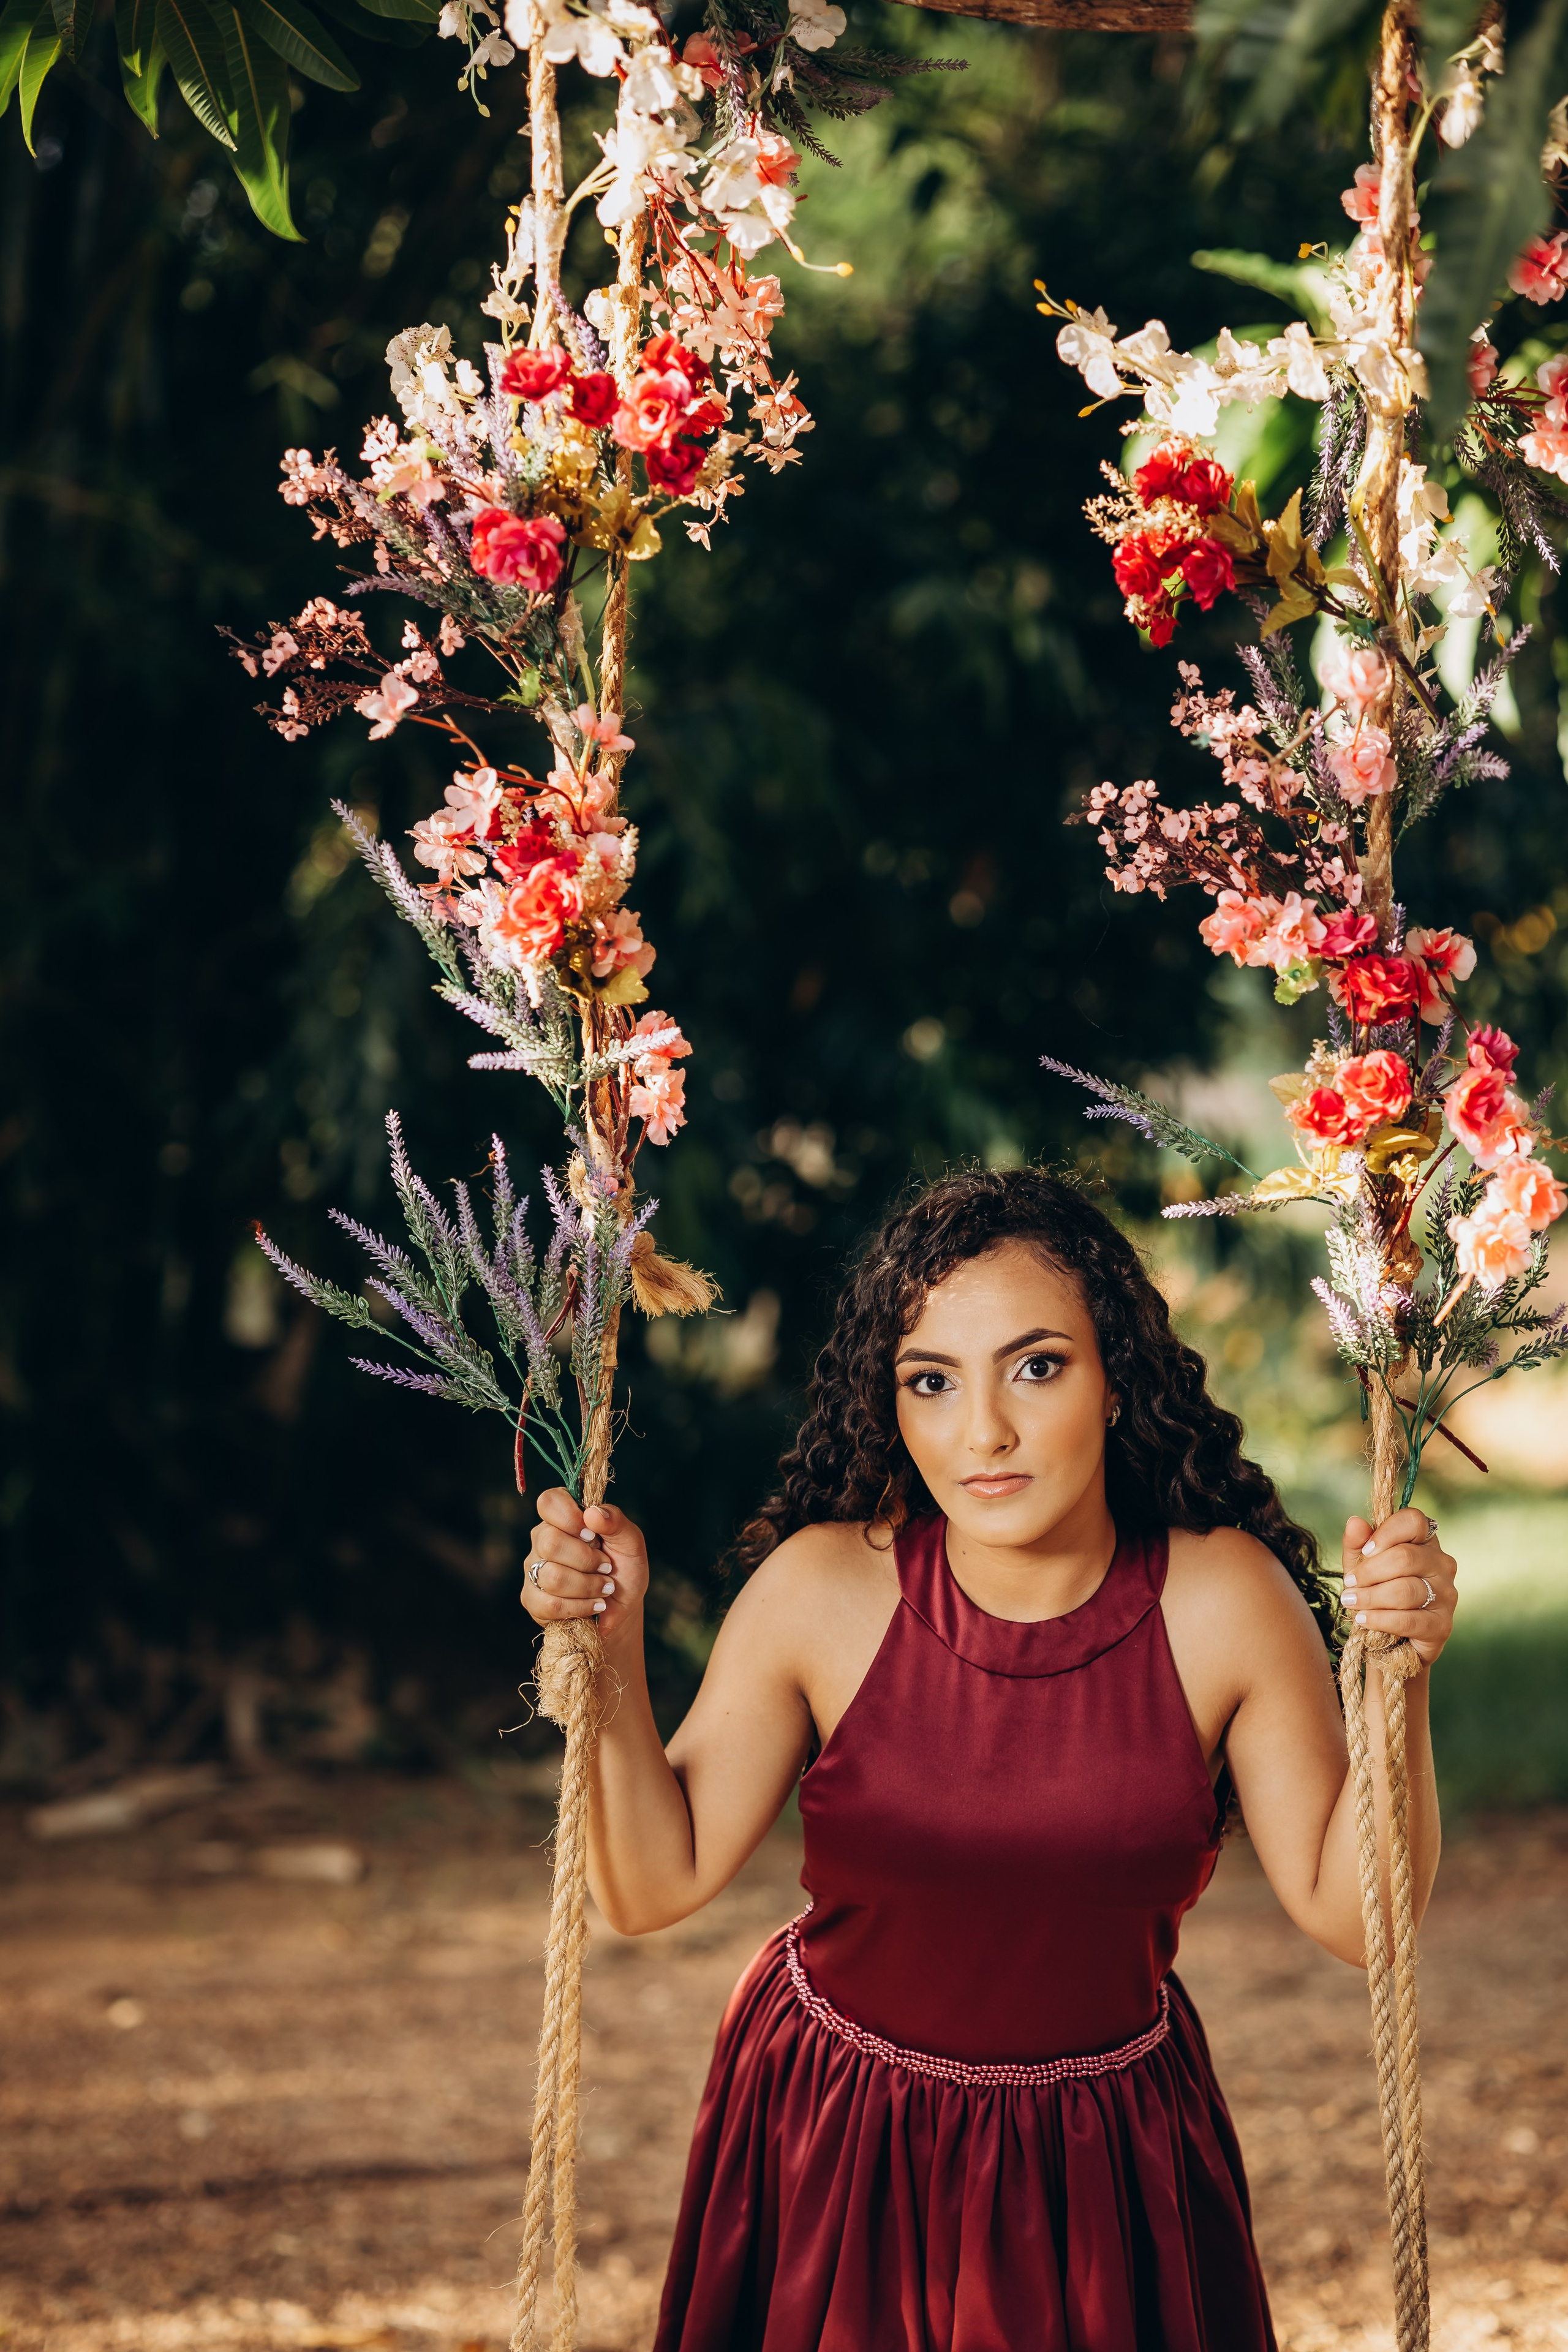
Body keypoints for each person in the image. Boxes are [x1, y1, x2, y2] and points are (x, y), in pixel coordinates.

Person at [519, 1169, 1457, 2352]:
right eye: (932, 1382)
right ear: (893, 1405)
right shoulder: (823, 1590)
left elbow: (1364, 1922)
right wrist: (605, 1647)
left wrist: (1398, 1676)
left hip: (1106, 2161)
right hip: (839, 2138)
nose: (985, 1432)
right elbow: (648, 1886)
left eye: (1037, 1366)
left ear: (1117, 1380)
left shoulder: (1226, 1602)